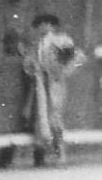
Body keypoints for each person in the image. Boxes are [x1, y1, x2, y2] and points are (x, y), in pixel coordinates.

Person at [23, 12, 83, 167]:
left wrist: (61, 71)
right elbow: (28, 65)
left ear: (52, 25)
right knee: (41, 119)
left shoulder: (62, 40)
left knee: (54, 118)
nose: (42, 28)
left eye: (45, 24)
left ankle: (60, 154)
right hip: (39, 84)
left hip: (54, 83)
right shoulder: (36, 44)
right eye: (39, 25)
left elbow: (76, 58)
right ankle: (41, 156)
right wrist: (32, 68)